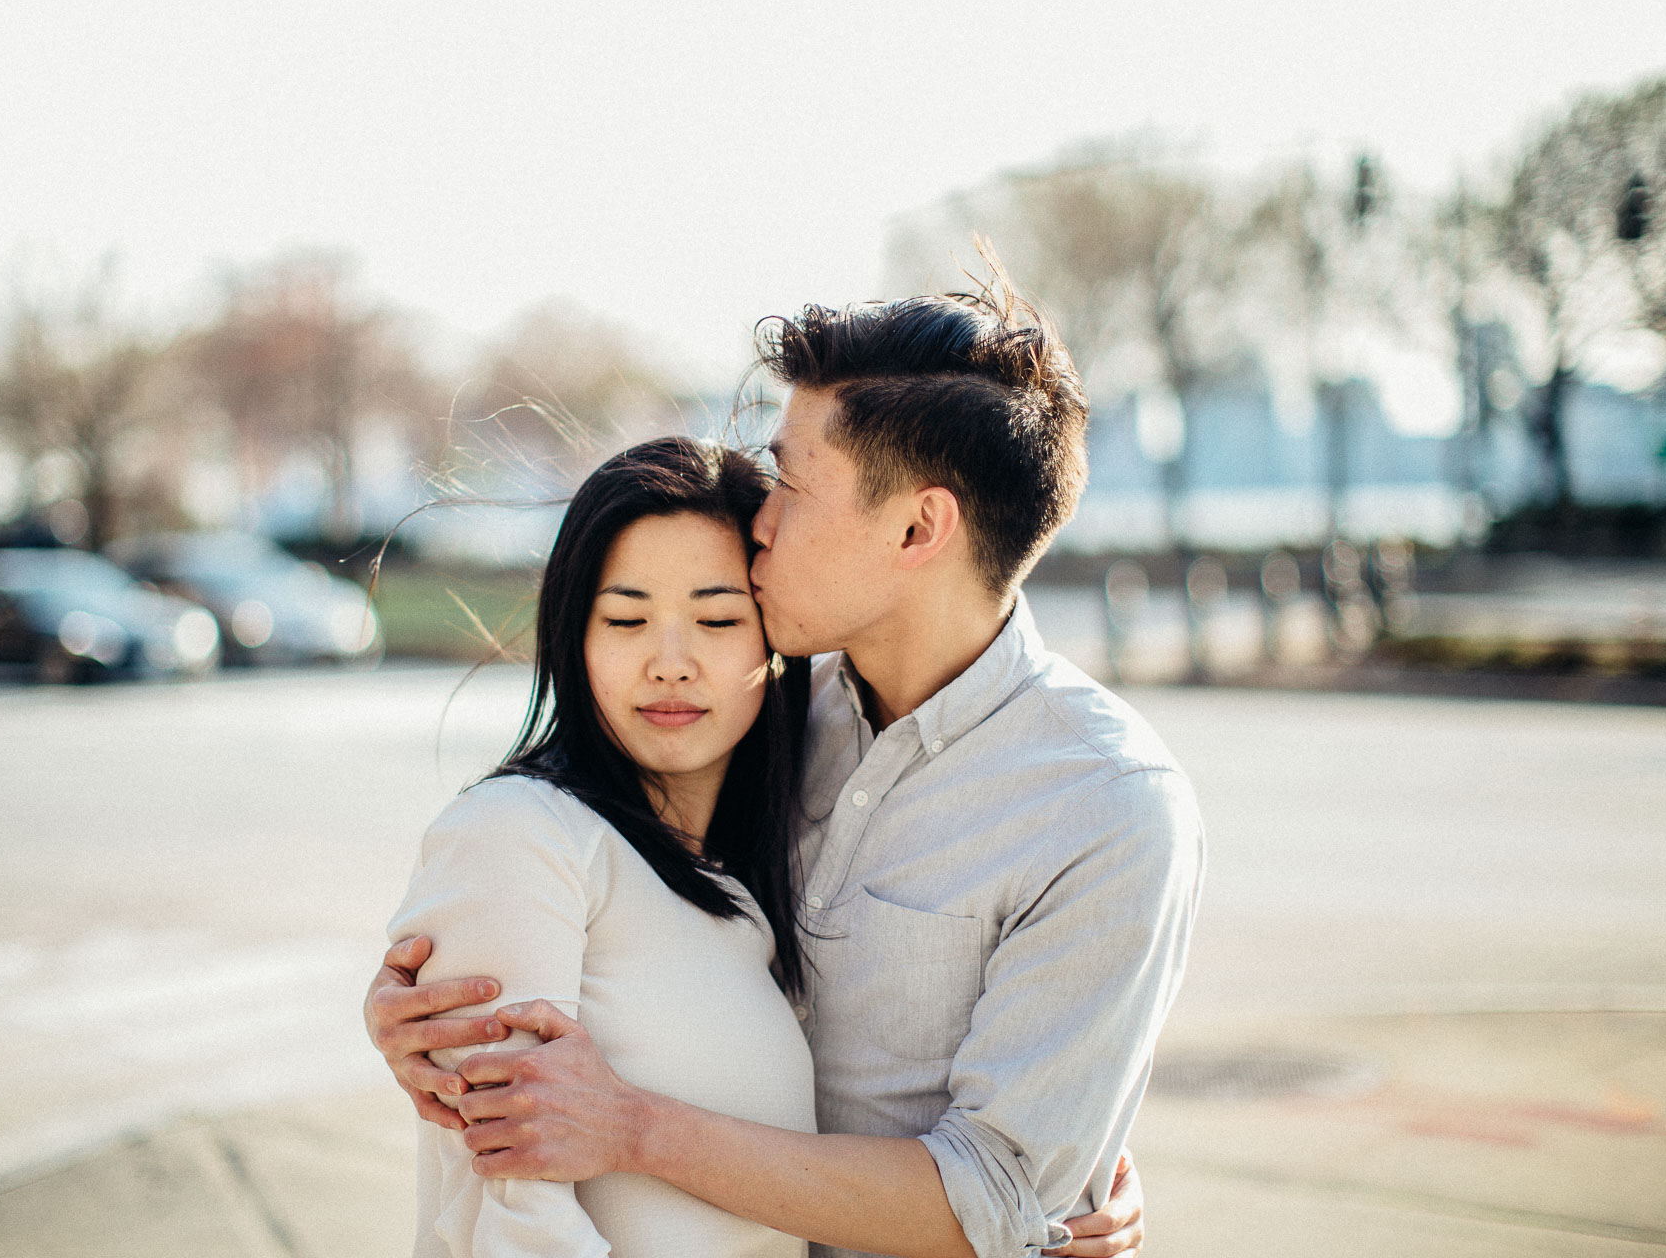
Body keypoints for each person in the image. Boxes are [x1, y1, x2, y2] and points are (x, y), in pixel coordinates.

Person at [370, 281, 1199, 1258]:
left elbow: (999, 1198)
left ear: (917, 529)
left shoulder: (1104, 803)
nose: (759, 518)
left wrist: (634, 1123)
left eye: (791, 483)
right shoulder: (763, 720)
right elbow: (567, 882)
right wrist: (425, 1006)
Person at [388, 435, 821, 1256]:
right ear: (573, 639)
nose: (670, 663)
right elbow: (517, 1219)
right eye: (625, 619)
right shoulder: (520, 834)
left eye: (718, 619)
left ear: (774, 644)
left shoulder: (743, 873)